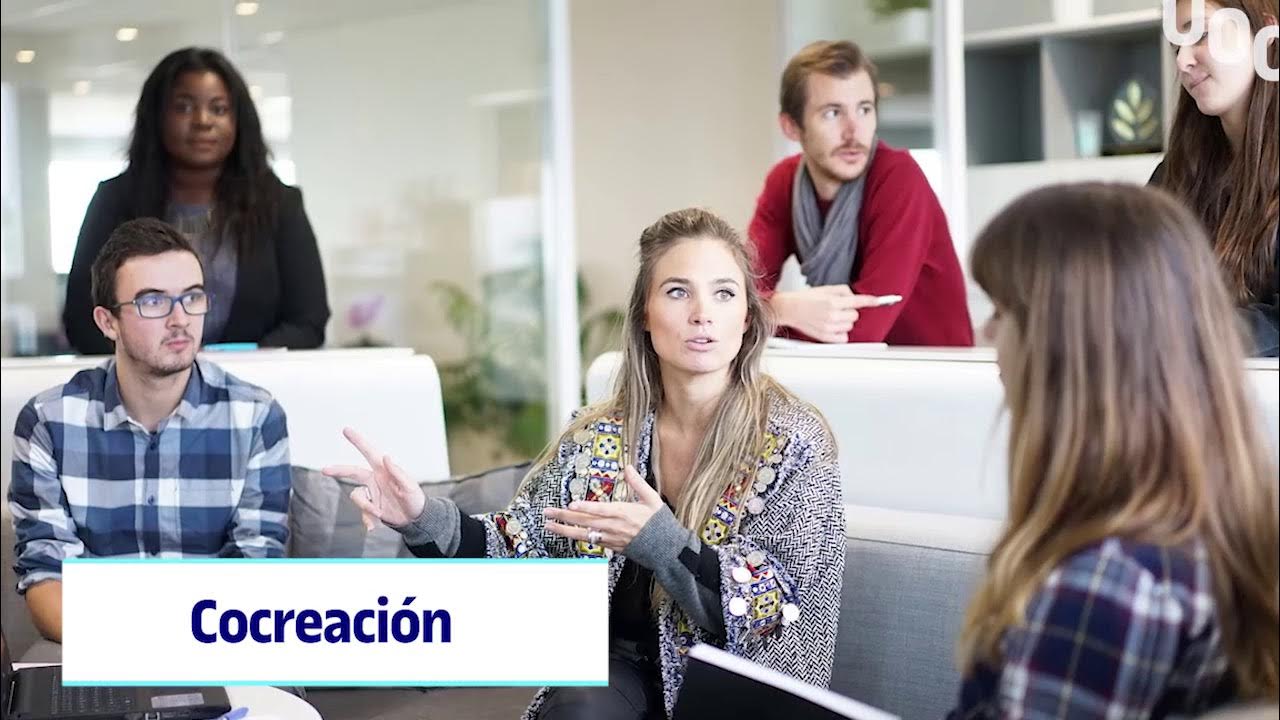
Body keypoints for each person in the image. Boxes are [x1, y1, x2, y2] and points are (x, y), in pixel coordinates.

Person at [327, 208, 846, 719]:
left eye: (724, 293)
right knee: (580, 707)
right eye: (677, 291)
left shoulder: (795, 442)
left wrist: (662, 543)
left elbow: (777, 606)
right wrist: (421, 515)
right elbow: (524, 542)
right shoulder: (599, 433)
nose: (702, 313)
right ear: (645, 315)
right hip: (617, 678)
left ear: (747, 317)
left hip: (731, 690)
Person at [950, 183, 1279, 717]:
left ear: (1066, 346)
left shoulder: (1106, 586)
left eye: (1003, 313)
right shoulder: (1209, 530)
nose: (988, 335)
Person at [10, 218, 292, 644]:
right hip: (100, 648)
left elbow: (256, 572)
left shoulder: (256, 417)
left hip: (218, 646)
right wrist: (134, 650)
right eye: (153, 301)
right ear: (108, 322)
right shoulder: (48, 421)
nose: (180, 319)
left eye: (192, 297)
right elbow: (47, 577)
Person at [62, 47, 329, 355]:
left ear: (239, 121)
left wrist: (236, 365)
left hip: (253, 379)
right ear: (156, 116)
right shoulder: (115, 201)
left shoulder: (280, 204)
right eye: (184, 107)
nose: (203, 121)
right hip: (142, 381)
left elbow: (308, 321)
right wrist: (161, 363)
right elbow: (83, 321)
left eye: (219, 109)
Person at [747, 40, 973, 346]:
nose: (854, 132)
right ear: (791, 127)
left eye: (864, 109)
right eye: (832, 113)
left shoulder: (898, 177)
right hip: (850, 366)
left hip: (933, 367)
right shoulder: (784, 182)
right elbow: (737, 295)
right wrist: (785, 308)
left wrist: (767, 313)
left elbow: (863, 330)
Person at [1150, 0, 1278, 356]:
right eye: (1177, 45)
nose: (1182, 61)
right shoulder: (1176, 173)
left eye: (1201, 34)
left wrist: (1183, 336)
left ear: (1267, 35)